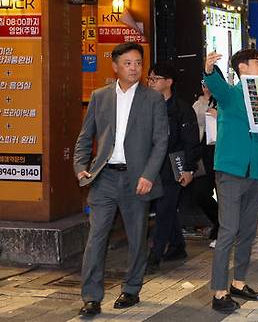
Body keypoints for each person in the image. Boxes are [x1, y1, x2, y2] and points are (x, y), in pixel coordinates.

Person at [73, 42, 168, 318]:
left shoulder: (152, 99)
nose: (134, 68)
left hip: (136, 178)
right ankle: (91, 296)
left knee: (137, 238)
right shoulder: (100, 96)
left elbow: (161, 141)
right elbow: (85, 136)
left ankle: (131, 288)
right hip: (104, 178)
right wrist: (80, 166)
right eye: (128, 63)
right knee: (96, 238)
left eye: (138, 62)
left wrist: (149, 175)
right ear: (115, 66)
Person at [204, 49, 258, 314]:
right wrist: (207, 68)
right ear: (242, 67)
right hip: (230, 172)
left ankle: (239, 283)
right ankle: (219, 292)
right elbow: (214, 83)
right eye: (257, 62)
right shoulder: (230, 95)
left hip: (254, 172)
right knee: (228, 231)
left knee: (248, 231)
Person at [145, 63, 201, 272]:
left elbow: (190, 141)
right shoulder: (145, 106)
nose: (150, 82)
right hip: (150, 166)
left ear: (168, 82)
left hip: (172, 166)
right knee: (164, 208)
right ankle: (177, 245)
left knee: (164, 209)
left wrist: (189, 168)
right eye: (149, 79)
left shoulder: (182, 109)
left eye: (155, 78)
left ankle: (155, 255)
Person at [191, 79, 220, 248]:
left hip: (221, 152)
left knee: (223, 193)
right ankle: (218, 221)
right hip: (204, 153)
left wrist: (218, 112)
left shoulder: (225, 101)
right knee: (200, 192)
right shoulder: (198, 102)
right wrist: (206, 99)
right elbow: (198, 118)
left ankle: (221, 230)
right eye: (204, 83)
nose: (207, 86)